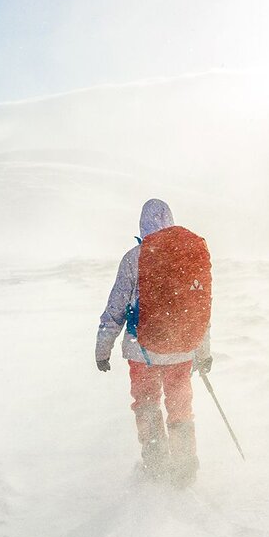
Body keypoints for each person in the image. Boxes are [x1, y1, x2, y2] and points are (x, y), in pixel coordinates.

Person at [96, 199, 212, 486]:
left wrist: (102, 349)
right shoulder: (187, 258)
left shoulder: (134, 258)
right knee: (180, 407)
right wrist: (203, 351)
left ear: (142, 224)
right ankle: (185, 468)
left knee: (147, 405)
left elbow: (116, 308)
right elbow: (199, 310)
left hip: (142, 351)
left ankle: (157, 463)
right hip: (182, 352)